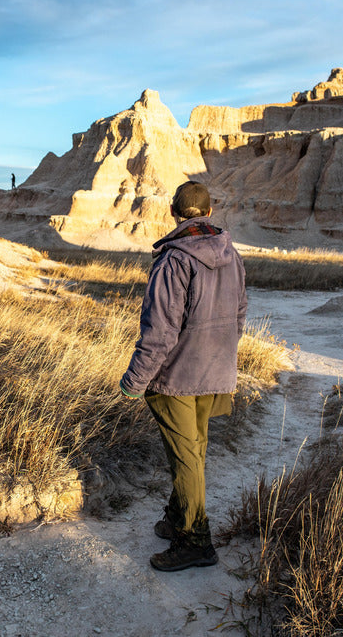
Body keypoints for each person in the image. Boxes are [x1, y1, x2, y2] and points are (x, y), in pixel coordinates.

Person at [119, 181, 247, 572]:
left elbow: (159, 332)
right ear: (210, 212)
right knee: (195, 449)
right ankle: (178, 517)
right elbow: (239, 317)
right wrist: (220, 357)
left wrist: (134, 382)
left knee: (185, 456)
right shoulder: (232, 254)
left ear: (174, 213)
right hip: (215, 371)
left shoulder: (174, 260)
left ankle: (196, 541)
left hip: (176, 378)